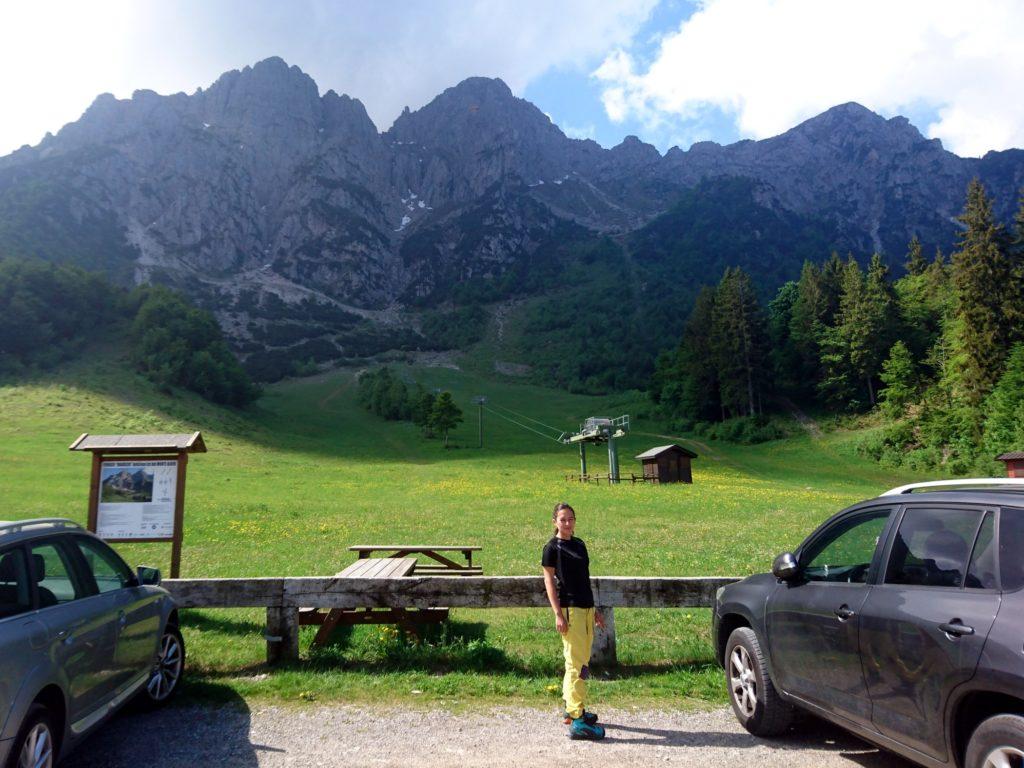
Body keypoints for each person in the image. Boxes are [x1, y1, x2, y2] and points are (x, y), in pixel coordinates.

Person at [542, 501, 606, 740]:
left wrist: (594, 609)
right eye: (563, 520)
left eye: (571, 519)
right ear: (555, 522)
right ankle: (578, 720)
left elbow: (584, 580)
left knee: (581, 662)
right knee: (576, 665)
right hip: (570, 612)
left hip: (586, 610)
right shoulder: (551, 548)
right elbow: (549, 582)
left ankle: (571, 709)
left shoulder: (579, 545)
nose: (567, 523)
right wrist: (558, 614)